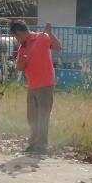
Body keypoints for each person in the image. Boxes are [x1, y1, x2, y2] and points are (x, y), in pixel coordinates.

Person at [11, 21, 62, 154]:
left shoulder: (43, 37)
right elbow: (19, 68)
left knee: (43, 116)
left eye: (16, 37)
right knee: (32, 117)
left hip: (45, 84)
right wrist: (24, 60)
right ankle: (33, 143)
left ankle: (42, 145)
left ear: (20, 33)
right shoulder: (23, 47)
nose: (16, 40)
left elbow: (58, 47)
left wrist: (50, 33)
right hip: (32, 85)